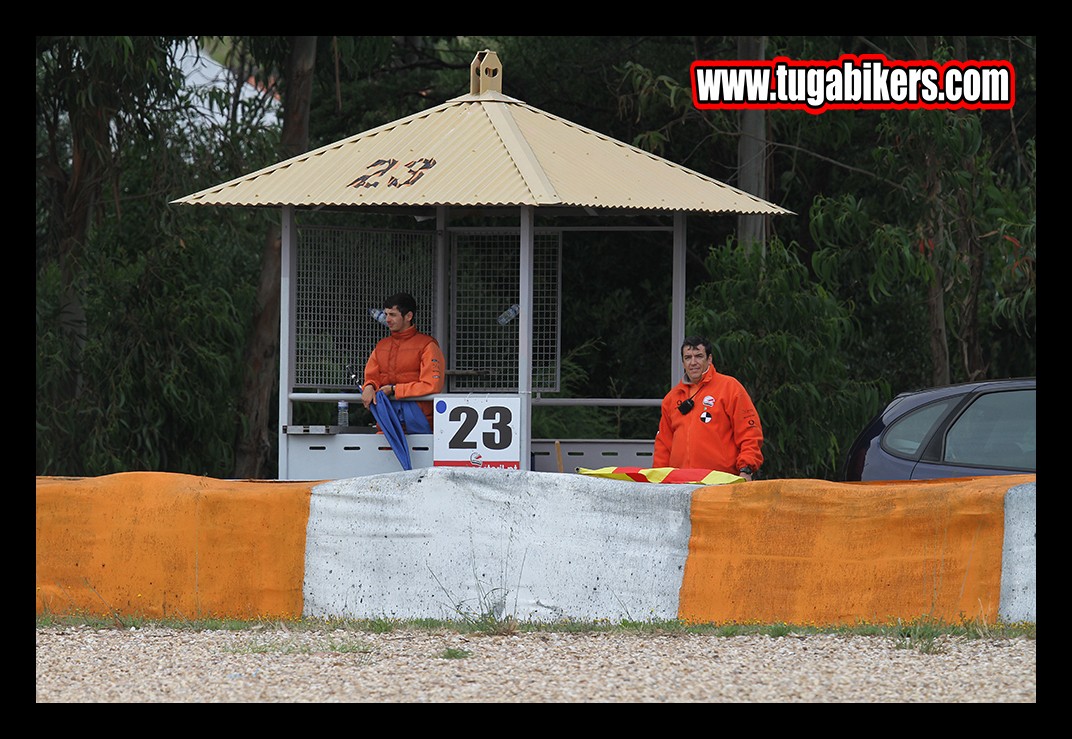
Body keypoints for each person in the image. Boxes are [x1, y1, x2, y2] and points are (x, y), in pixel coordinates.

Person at [653, 336, 764, 480]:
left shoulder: (730, 387)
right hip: (679, 483)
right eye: (688, 357)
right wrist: (658, 479)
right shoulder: (672, 398)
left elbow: (749, 432)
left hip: (721, 481)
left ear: (709, 359)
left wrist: (746, 469)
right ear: (683, 362)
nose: (693, 362)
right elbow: (663, 445)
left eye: (699, 356)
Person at [360, 292, 445, 431]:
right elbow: (372, 377)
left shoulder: (427, 345)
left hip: (421, 420)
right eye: (386, 314)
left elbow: (432, 385)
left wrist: (394, 389)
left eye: (392, 315)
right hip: (388, 416)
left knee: (421, 451)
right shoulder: (381, 346)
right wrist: (369, 387)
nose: (387, 319)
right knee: (383, 451)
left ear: (408, 316)